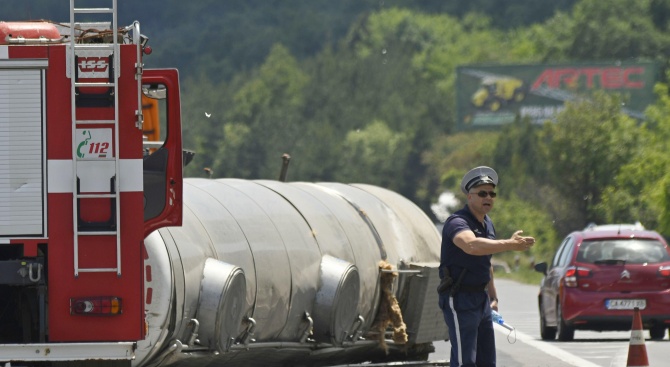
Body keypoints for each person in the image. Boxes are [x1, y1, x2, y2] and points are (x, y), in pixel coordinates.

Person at [437, 166, 535, 367]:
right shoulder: (457, 222)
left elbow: (485, 260)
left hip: (481, 300)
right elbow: (472, 246)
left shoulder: (488, 223)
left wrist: (493, 296)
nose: (488, 197)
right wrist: (510, 244)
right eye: (482, 193)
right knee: (466, 362)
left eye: (492, 193)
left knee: (486, 362)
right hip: (460, 298)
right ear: (469, 196)